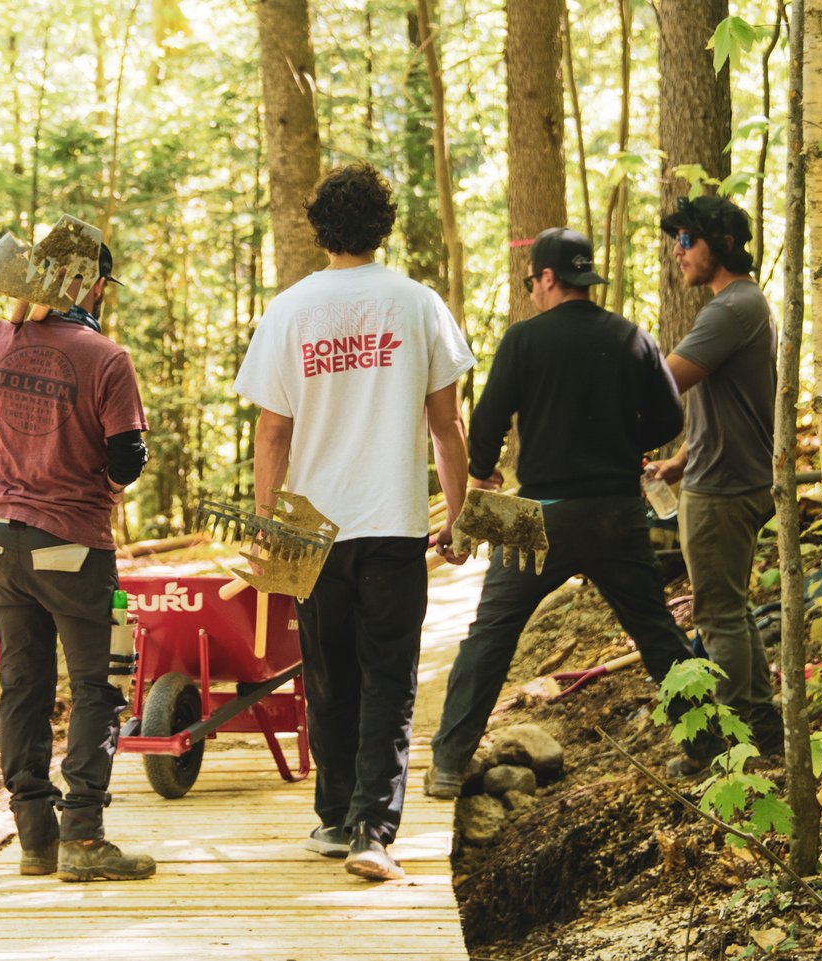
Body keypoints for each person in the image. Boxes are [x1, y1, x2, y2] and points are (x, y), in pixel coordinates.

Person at [234, 162, 474, 881]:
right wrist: (459, 515)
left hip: (311, 527)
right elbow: (446, 425)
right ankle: (372, 827)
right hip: (393, 522)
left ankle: (336, 820)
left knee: (328, 674)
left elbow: (271, 431)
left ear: (321, 228)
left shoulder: (289, 310)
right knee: (388, 678)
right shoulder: (417, 304)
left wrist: (265, 525)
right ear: (383, 225)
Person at [425, 227, 723, 798]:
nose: (531, 291)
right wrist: (621, 440)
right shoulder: (631, 336)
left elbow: (485, 422)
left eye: (531, 281)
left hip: (537, 514)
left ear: (547, 278)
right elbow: (668, 422)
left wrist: (482, 471)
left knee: (490, 636)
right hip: (615, 511)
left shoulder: (523, 341)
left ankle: (447, 763)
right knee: (656, 633)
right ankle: (707, 746)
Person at [0, 242, 156, 882]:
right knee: (99, 687)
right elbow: (127, 458)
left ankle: (35, 840)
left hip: (3, 545)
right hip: (74, 547)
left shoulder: (2, 340)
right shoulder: (107, 358)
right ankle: (84, 839)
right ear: (93, 286)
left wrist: (14, 320)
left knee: (24, 688)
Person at [649, 196, 783, 772]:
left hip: (725, 489)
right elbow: (729, 403)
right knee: (731, 609)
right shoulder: (742, 306)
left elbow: (664, 382)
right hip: (726, 474)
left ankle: (734, 744)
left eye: (687, 240)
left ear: (721, 244)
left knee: (718, 615)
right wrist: (682, 458)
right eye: (675, 240)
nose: (677, 252)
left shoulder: (731, 309)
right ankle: (760, 720)